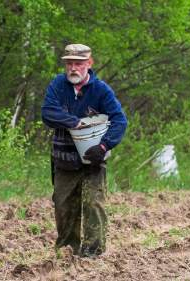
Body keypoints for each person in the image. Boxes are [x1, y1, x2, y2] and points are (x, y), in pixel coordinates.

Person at [41, 44, 127, 257]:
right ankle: (68, 251)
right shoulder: (58, 85)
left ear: (89, 64)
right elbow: (48, 113)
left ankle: (92, 254)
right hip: (64, 159)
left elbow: (119, 120)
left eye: (78, 63)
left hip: (93, 160)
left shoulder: (101, 90)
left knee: (93, 204)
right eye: (69, 63)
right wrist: (75, 123)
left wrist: (104, 145)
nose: (73, 68)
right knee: (62, 205)